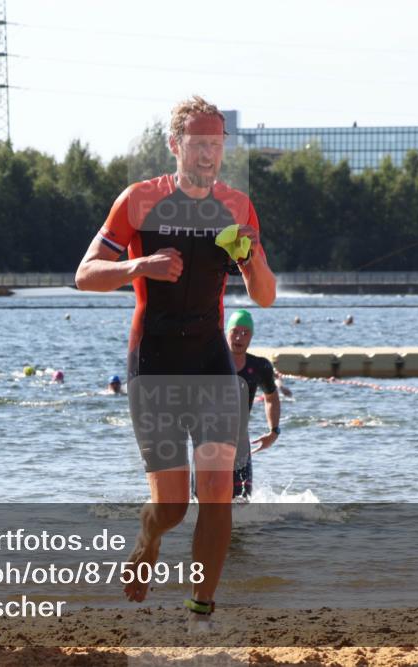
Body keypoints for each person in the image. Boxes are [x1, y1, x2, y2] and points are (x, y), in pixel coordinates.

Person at [75, 95, 276, 631]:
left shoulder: (237, 207)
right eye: (199, 143)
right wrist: (140, 263)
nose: (209, 154)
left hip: (211, 362)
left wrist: (250, 259)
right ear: (176, 145)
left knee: (217, 494)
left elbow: (266, 297)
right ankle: (147, 540)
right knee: (172, 508)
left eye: (217, 144)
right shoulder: (139, 201)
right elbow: (85, 273)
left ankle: (200, 611)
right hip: (155, 362)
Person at [225, 309, 281, 499]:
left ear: (251, 337)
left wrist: (274, 431)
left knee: (242, 507)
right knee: (200, 505)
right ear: (227, 332)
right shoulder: (210, 363)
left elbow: (271, 397)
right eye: (235, 331)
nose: (239, 337)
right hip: (208, 445)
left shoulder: (259, 367)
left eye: (245, 332)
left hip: (240, 445)